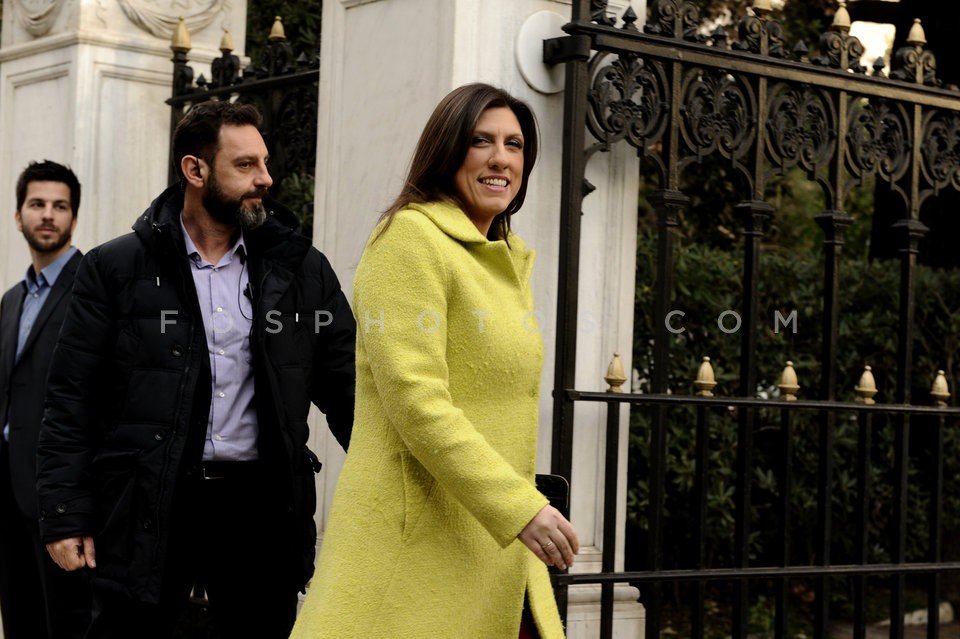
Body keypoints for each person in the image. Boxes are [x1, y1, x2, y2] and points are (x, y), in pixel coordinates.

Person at [36, 101, 356, 639]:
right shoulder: (114, 269)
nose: (266, 179)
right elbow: (71, 398)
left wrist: (395, 486)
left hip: (260, 510)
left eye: (265, 163)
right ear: (195, 170)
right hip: (148, 504)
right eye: (246, 166)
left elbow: (348, 388)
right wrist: (65, 512)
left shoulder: (299, 268)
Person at [290, 83, 579, 639]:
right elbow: (417, 401)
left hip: (484, 540)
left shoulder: (505, 256)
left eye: (515, 144)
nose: (501, 158)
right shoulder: (409, 241)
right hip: (415, 543)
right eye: (481, 141)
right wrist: (519, 505)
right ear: (447, 152)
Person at [0, 160, 92, 638]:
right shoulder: (11, 299)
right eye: (37, 204)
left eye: (60, 206)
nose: (49, 215)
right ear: (19, 216)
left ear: (74, 218)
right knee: (20, 622)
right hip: (10, 495)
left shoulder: (92, 289)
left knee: (67, 626)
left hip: (61, 500)